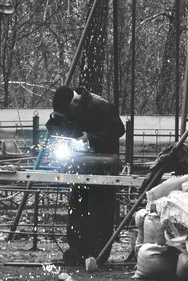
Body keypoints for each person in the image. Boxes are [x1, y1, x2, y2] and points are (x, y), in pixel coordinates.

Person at [48, 86, 125, 265]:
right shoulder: (70, 107)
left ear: (75, 101)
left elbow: (119, 130)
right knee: (77, 206)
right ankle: (76, 250)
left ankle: (97, 254)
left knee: (100, 209)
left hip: (103, 166)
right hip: (81, 166)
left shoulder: (101, 106)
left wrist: (90, 137)